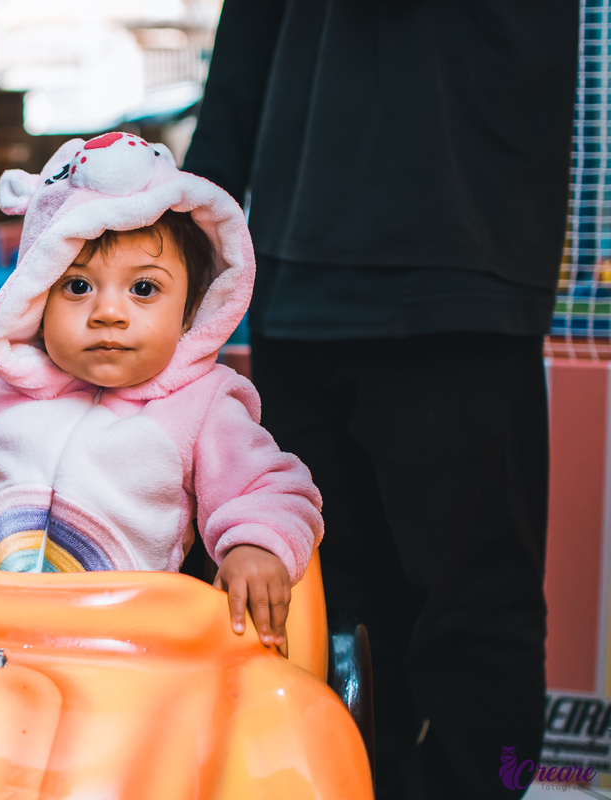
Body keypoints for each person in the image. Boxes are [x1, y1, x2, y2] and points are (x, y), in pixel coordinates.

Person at [181, 3, 578, 798]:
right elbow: (248, 39)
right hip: (298, 266)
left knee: (474, 614)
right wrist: (188, 241)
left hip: (459, 263)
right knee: (322, 608)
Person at [0, 132, 324, 646]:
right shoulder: (7, 394)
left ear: (189, 310)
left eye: (144, 288)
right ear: (36, 298)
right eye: (78, 286)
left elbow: (265, 486)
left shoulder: (202, 406)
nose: (108, 313)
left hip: (119, 651)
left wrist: (256, 547)